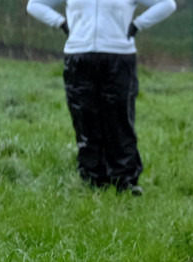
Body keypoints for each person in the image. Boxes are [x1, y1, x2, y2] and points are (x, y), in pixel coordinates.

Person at [27, 0, 176, 195]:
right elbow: (34, 5)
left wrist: (137, 25)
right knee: (85, 119)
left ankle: (125, 181)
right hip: (79, 56)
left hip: (119, 56)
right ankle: (92, 179)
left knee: (120, 120)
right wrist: (61, 23)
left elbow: (167, 4)